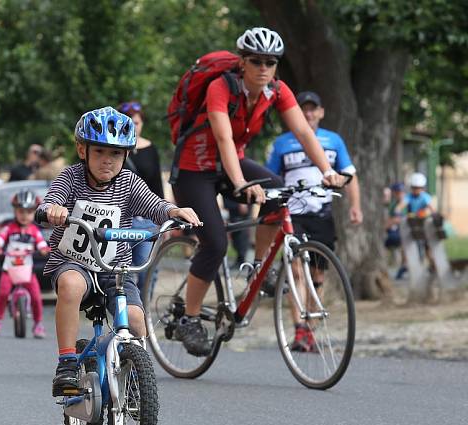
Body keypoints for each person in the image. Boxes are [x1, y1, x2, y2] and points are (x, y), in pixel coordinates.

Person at [170, 27, 344, 357]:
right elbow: (222, 139)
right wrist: (240, 185)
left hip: (230, 163)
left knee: (279, 192)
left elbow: (306, 133)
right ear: (242, 62)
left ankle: (260, 267)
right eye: (256, 61)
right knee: (216, 243)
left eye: (270, 62)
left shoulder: (276, 90)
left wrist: (329, 172)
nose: (263, 68)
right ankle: (189, 319)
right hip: (195, 169)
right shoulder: (221, 87)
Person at [38, 106, 201, 397]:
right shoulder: (71, 178)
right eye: (99, 151)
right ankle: (66, 362)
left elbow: (154, 205)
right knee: (71, 285)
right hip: (75, 264)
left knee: (138, 321)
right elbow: (53, 198)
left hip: (115, 270)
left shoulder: (128, 183)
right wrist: (53, 210)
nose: (107, 160)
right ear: (81, 149)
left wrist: (174, 210)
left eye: (115, 154)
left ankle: (136, 375)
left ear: (126, 155)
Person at [266, 90, 362, 351]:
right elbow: (270, 177)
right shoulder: (282, 143)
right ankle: (298, 329)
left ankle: (311, 330)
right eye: (303, 109)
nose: (308, 113)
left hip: (322, 214)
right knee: (296, 269)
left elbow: (350, 174)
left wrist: (355, 206)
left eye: (313, 109)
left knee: (318, 274)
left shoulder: (334, 141)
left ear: (321, 112)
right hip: (293, 214)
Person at [0, 189, 50, 338]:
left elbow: (41, 243)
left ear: (34, 213)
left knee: (36, 296)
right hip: (9, 268)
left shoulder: (34, 230)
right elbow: (0, 238)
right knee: (3, 292)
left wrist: (43, 249)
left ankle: (38, 324)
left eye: (29, 212)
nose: (24, 216)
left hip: (26, 270)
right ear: (15, 211)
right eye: (21, 211)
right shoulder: (9, 228)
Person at [118, 101, 164, 288]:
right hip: (119, 220)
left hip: (146, 220)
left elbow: (156, 184)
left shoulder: (150, 148)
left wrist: (162, 217)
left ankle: (144, 314)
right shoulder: (111, 148)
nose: (133, 126)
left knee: (147, 272)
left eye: (136, 123)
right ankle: (126, 312)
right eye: (128, 122)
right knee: (121, 272)